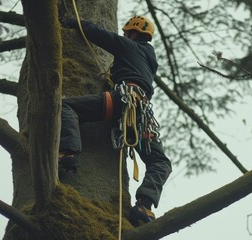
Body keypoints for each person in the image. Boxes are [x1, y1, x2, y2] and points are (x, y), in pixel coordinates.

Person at [58, 15, 172, 227]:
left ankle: (68, 152)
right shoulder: (148, 62)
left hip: (123, 100)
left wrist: (74, 22)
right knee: (160, 161)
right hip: (142, 115)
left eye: (127, 33)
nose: (124, 35)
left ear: (134, 33)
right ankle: (143, 205)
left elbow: (99, 35)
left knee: (68, 106)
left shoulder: (130, 47)